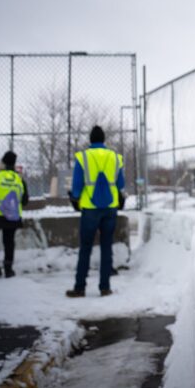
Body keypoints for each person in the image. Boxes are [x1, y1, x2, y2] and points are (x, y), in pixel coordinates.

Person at [66, 125, 125, 298]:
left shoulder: (83, 157)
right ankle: (105, 287)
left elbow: (77, 186)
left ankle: (80, 287)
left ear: (90, 140)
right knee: (107, 247)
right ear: (104, 139)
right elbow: (120, 184)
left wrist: (76, 198)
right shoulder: (115, 157)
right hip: (110, 208)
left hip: (90, 209)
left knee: (85, 248)